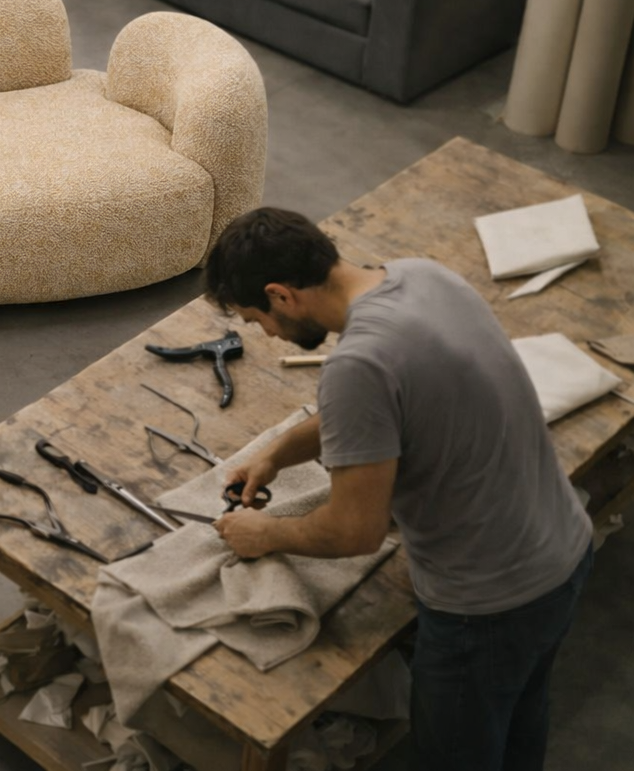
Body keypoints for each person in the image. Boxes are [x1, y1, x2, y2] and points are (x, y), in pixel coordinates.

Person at [203, 207, 594, 771]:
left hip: (487, 607)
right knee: (519, 720)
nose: (266, 334)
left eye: (256, 318)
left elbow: (354, 532)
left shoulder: (356, 364)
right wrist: (275, 453)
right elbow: (392, 401)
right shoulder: (423, 276)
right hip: (563, 552)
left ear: (280, 295)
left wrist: (265, 534)